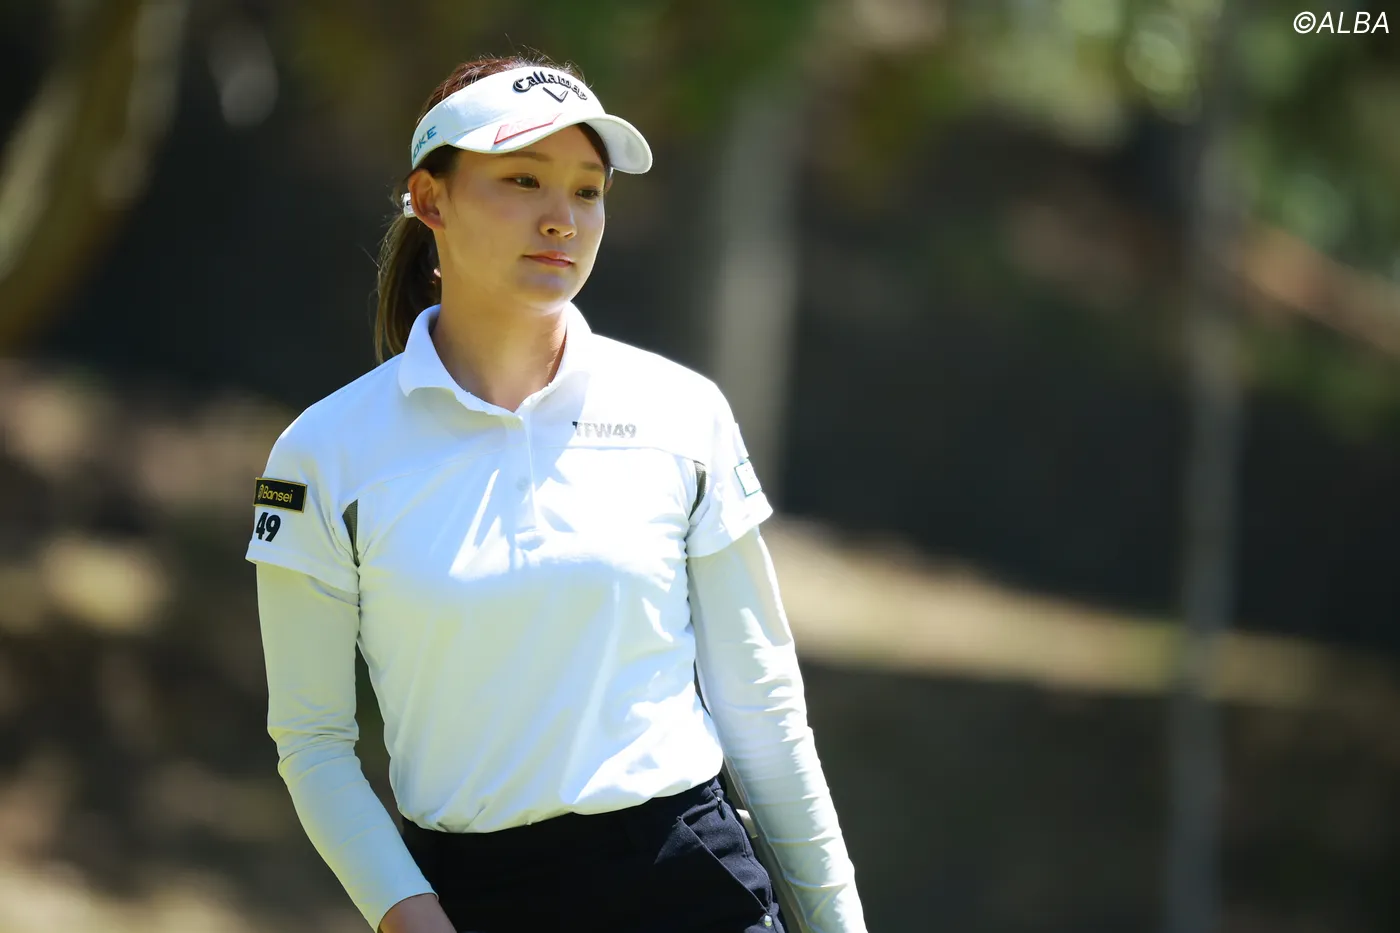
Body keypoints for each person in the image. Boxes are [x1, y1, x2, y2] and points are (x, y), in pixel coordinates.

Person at [247, 54, 867, 933]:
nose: (561, 218)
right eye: (523, 180)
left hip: (690, 882)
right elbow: (312, 743)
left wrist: (838, 920)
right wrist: (413, 919)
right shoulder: (323, 455)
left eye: (587, 190)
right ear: (430, 200)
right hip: (478, 897)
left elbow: (760, 704)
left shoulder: (681, 412)